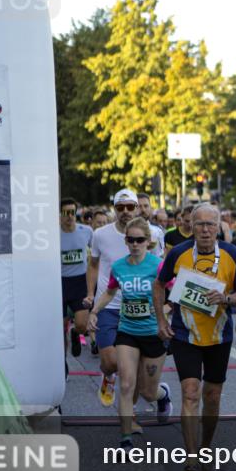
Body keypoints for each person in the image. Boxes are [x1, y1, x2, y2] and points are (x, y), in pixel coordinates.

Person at [155, 203, 236, 471]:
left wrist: (228, 299)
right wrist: (161, 322)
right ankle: (191, 459)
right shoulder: (178, 253)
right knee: (190, 393)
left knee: (211, 397)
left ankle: (206, 449)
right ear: (191, 226)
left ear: (219, 226)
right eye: (200, 224)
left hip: (219, 336)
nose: (206, 229)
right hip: (185, 335)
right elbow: (159, 284)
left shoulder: (232, 254)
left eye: (211, 224)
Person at [88, 217, 171, 451]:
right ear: (126, 241)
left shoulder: (158, 266)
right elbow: (110, 292)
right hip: (128, 332)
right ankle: (125, 439)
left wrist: (166, 309)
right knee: (125, 385)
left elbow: (176, 292)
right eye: (131, 240)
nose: (135, 244)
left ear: (148, 241)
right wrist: (95, 310)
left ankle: (163, 395)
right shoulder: (119, 267)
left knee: (147, 391)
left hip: (153, 334)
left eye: (140, 240)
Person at [85, 189, 165, 408]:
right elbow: (92, 265)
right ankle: (109, 375)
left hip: (141, 309)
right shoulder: (100, 234)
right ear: (114, 209)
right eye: (120, 207)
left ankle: (132, 419)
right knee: (110, 362)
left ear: (137, 208)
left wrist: (163, 310)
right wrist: (91, 295)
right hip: (110, 305)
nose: (125, 211)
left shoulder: (154, 234)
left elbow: (159, 273)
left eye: (130, 206)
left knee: (135, 374)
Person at [60, 197, 93, 360]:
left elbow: (96, 255)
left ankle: (76, 333)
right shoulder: (52, 234)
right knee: (60, 331)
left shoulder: (86, 231)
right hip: (60, 283)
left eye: (72, 212)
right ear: (60, 215)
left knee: (82, 325)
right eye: (66, 213)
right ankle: (62, 364)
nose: (69, 216)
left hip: (80, 282)